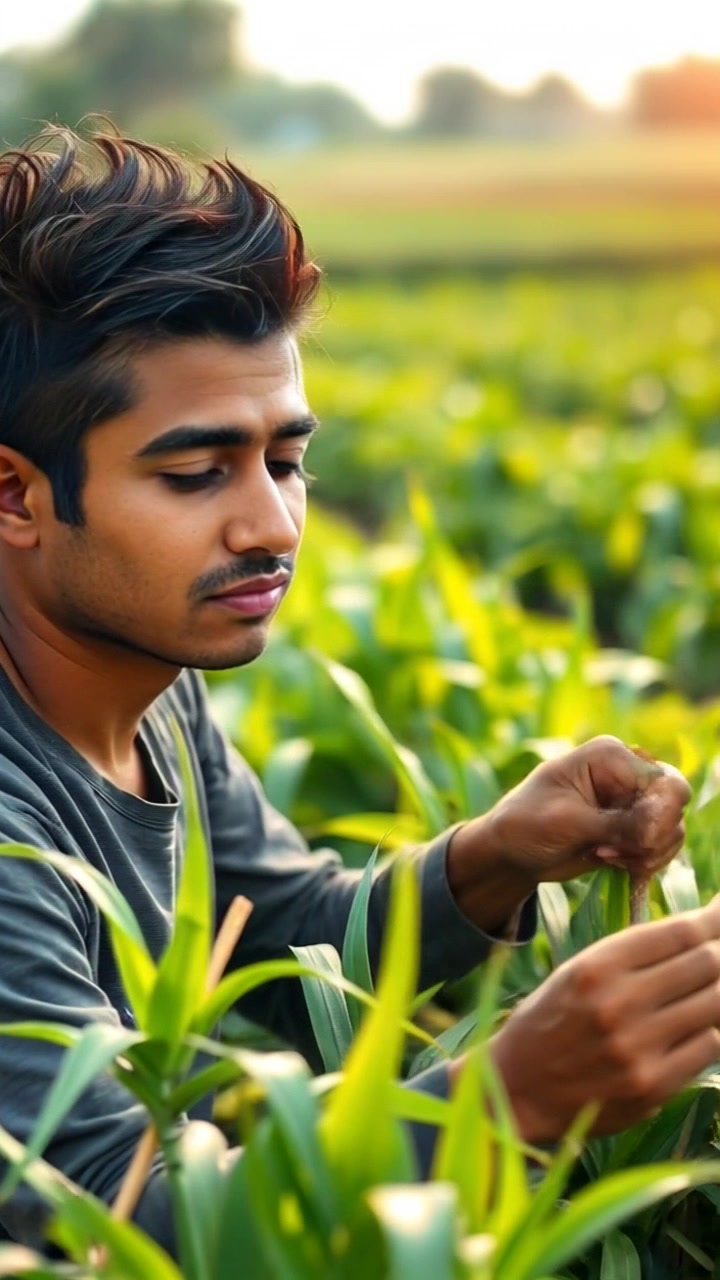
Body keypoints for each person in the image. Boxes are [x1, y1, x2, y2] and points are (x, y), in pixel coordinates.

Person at [0, 124, 717, 1255]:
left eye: (285, 459)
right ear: (15, 494)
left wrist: (493, 856)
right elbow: (105, 1218)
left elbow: (281, 937)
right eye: (196, 473)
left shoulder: (148, 686)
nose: (273, 525)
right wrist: (507, 1097)